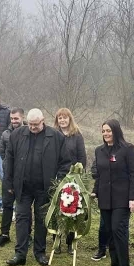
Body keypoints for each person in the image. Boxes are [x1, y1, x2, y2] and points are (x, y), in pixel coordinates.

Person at [4, 109, 71, 266]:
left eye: (36, 124)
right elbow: (9, 160)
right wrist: (9, 182)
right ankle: (20, 253)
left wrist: (57, 182)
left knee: (42, 220)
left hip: (44, 187)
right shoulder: (17, 135)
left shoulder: (56, 137)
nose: (33, 127)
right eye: (30, 124)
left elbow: (65, 163)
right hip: (23, 186)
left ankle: (40, 253)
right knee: (21, 218)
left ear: (43, 121)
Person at [92, 119, 134, 266]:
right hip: (105, 199)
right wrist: (94, 191)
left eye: (108, 131)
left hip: (122, 198)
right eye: (103, 131)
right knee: (109, 233)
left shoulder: (127, 149)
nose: (105, 134)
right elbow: (99, 174)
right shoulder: (99, 151)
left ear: (116, 131)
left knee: (118, 232)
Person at [55, 107, 87, 254]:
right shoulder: (53, 135)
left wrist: (79, 175)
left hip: (73, 178)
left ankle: (70, 242)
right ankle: (56, 241)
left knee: (73, 209)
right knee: (57, 209)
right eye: (60, 118)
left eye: (65, 117)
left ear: (70, 119)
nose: (62, 120)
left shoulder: (77, 135)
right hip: (58, 177)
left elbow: (82, 158)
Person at [0, 107, 25, 248]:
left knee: (23, 208)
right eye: (12, 118)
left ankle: (25, 236)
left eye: (16, 118)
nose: (14, 121)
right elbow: (2, 152)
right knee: (7, 205)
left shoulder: (28, 133)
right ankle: (4, 234)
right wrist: (8, 167)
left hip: (24, 177)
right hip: (8, 176)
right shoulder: (5, 134)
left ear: (22, 118)